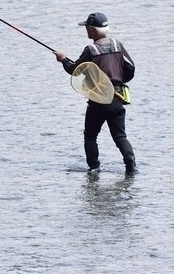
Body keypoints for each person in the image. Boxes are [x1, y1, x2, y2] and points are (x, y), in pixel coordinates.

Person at [54, 12, 137, 174]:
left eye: (86, 27)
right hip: (117, 99)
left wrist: (63, 59)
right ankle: (131, 166)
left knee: (90, 136)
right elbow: (131, 68)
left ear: (92, 30)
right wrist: (119, 83)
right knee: (120, 136)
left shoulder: (91, 49)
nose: (85, 30)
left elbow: (74, 70)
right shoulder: (117, 44)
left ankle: (94, 168)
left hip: (98, 101)